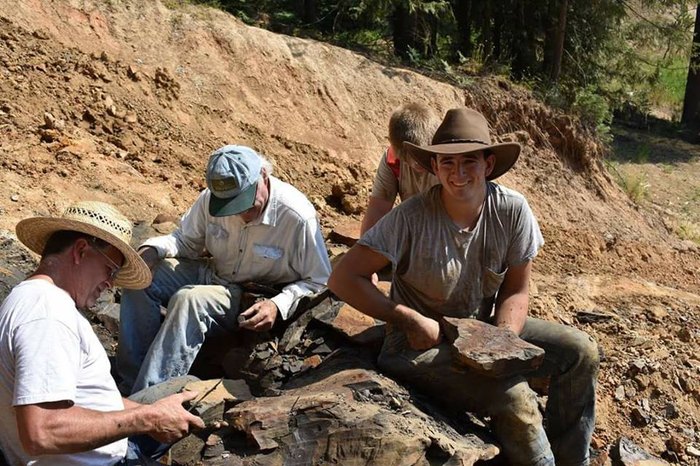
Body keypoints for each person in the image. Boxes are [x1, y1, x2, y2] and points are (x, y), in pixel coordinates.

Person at [329, 108, 599, 465]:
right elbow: (343, 277)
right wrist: (409, 319)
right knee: (515, 396)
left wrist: (504, 339)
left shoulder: (512, 210)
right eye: (447, 164)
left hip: (482, 327)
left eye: (468, 162)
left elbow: (517, 289)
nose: (457, 174)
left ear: (488, 164)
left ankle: (570, 458)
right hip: (419, 344)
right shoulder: (411, 217)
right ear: (434, 167)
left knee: (581, 351)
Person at [0, 201, 204, 466]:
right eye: (110, 269)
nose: (110, 283)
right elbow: (41, 432)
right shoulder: (48, 315)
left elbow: (84, 398)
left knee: (184, 390)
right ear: (81, 250)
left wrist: (151, 413)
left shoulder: (30, 297)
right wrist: (146, 419)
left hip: (101, 448)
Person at [117, 145, 332, 394]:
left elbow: (319, 280)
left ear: (263, 175)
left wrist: (278, 304)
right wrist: (153, 250)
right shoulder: (210, 200)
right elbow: (186, 241)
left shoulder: (296, 216)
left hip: (247, 297)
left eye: (246, 204)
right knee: (140, 278)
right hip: (212, 273)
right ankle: (128, 384)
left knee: (189, 299)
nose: (241, 214)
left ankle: (150, 399)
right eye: (232, 206)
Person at [359, 102, 441, 236]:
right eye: (408, 156)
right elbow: (378, 210)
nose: (415, 163)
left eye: (420, 154)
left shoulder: (448, 161)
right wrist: (364, 249)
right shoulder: (392, 162)